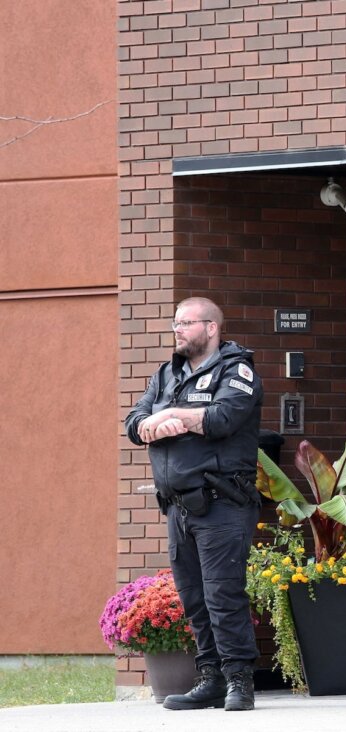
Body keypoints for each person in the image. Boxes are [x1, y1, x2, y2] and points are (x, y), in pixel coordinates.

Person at [125, 297, 263, 712]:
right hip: (178, 507)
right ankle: (211, 679)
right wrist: (150, 423)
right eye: (175, 323)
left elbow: (222, 419)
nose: (178, 330)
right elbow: (135, 422)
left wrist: (176, 418)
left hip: (222, 503)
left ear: (211, 328)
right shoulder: (166, 374)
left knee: (223, 595)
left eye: (186, 323)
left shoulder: (236, 371)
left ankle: (240, 680)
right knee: (194, 598)